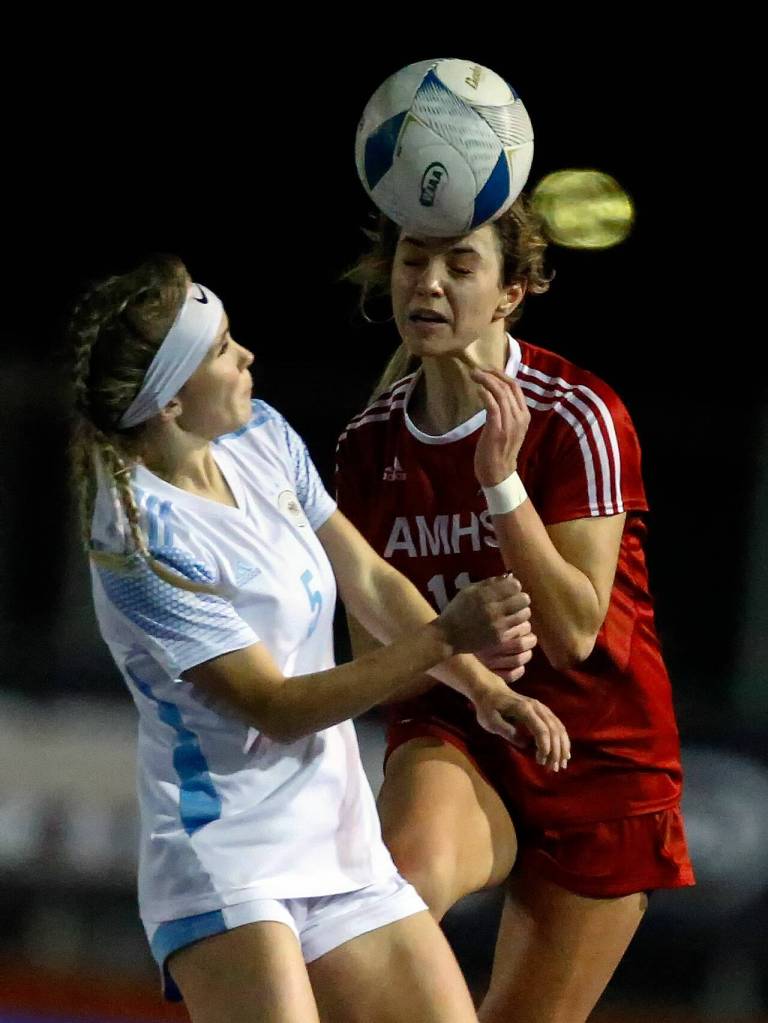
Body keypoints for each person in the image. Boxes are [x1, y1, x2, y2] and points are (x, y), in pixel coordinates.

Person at [67, 253, 570, 1023]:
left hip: (337, 843)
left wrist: (486, 685)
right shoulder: (139, 539)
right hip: (226, 863)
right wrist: (444, 636)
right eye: (222, 347)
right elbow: (276, 707)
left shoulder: (261, 435)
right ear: (169, 401)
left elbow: (369, 579)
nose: (247, 357)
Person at [336, 197, 695, 1023]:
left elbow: (573, 631)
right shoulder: (369, 443)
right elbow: (376, 658)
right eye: (413, 261)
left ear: (511, 291)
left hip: (599, 759)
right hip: (461, 726)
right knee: (385, 900)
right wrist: (468, 669)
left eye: (460, 265)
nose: (428, 283)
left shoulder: (579, 415)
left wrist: (502, 481)